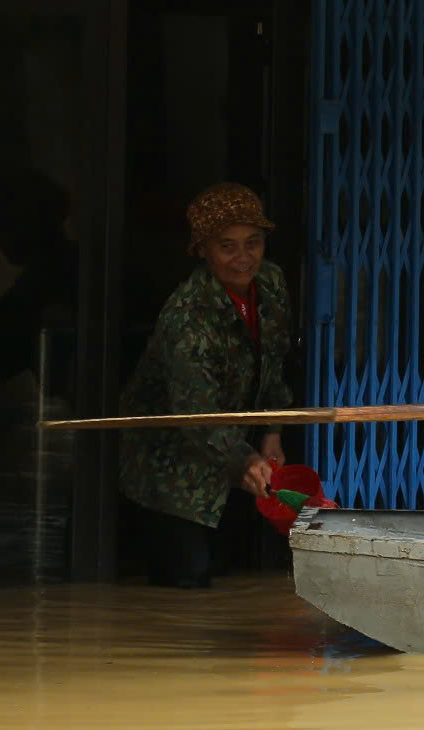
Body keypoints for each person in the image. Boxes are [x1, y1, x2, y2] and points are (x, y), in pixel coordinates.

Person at [117, 183, 293, 588]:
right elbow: (196, 416)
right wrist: (246, 460)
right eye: (227, 246)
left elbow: (275, 360)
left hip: (231, 447)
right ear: (202, 250)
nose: (243, 257)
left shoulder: (271, 284)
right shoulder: (186, 318)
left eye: (253, 243)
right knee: (188, 584)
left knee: (237, 578)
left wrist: (272, 431)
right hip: (170, 462)